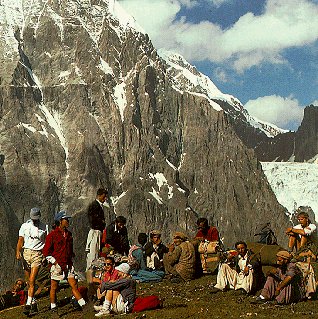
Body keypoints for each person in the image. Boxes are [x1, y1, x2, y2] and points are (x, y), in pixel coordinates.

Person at [43, 211, 86, 315]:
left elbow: (70, 250)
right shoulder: (52, 235)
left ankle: (84, 305)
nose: (68, 221)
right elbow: (46, 252)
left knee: (73, 285)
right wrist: (54, 262)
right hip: (57, 265)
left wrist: (71, 258)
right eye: (66, 220)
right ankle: (53, 308)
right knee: (54, 287)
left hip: (68, 264)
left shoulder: (69, 235)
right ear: (60, 221)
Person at [16, 207, 48, 316]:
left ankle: (28, 304)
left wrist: (45, 256)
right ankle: (34, 304)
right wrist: (18, 252)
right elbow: (20, 240)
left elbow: (46, 242)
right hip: (26, 253)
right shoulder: (25, 226)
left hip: (37, 254)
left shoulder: (44, 227)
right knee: (29, 281)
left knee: (32, 279)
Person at [86, 188, 109, 270]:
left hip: (98, 231)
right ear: (99, 195)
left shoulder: (98, 205)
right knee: (93, 252)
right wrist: (101, 222)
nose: (105, 198)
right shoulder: (95, 205)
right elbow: (92, 218)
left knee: (96, 251)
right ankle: (90, 270)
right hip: (95, 231)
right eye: (104, 196)